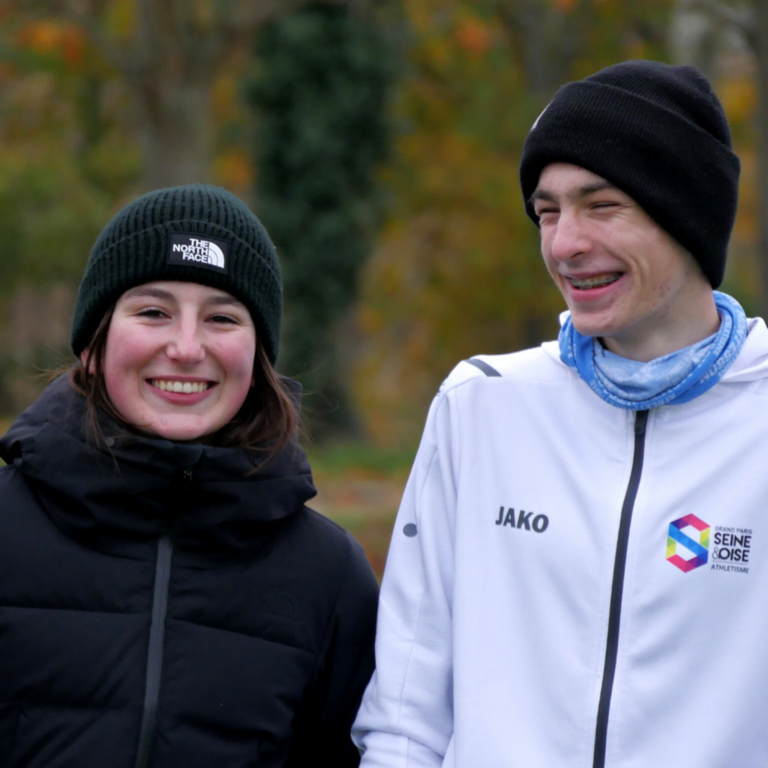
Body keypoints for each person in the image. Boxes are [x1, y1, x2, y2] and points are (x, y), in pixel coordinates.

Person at [352, 60, 768, 767]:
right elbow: (404, 719)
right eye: (547, 212)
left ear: (688, 215)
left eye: (601, 206)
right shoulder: (480, 405)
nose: (564, 244)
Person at [0, 184, 379, 768]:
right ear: (94, 346)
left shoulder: (330, 577)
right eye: (153, 312)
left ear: (258, 360)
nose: (185, 348)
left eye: (221, 318)